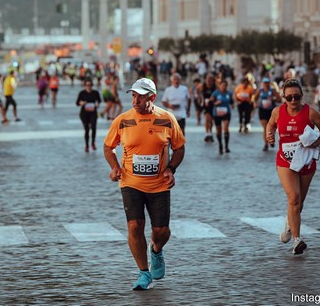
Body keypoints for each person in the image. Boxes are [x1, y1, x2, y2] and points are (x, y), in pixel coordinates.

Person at [104, 78, 185, 291]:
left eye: (140, 96)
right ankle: (143, 272)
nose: (135, 100)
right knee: (134, 225)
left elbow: (179, 148)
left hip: (159, 184)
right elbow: (108, 147)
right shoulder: (122, 120)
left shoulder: (167, 119)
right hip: (130, 182)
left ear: (152, 97)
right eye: (133, 95)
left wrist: (170, 169)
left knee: (161, 231)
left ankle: (156, 250)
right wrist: (114, 167)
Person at [266, 79, 320, 255]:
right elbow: (270, 125)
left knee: (299, 202)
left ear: (302, 96)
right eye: (289, 97)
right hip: (285, 161)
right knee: (293, 197)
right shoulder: (277, 112)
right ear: (283, 97)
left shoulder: (311, 113)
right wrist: (269, 135)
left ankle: (289, 222)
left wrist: (315, 144)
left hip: (306, 161)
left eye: (297, 96)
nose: (293, 100)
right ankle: (297, 240)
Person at [254, 77, 281, 151]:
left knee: (271, 127)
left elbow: (279, 99)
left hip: (271, 111)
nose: (266, 84)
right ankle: (266, 144)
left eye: (267, 82)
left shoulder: (272, 90)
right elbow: (254, 98)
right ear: (263, 83)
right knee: (265, 128)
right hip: (262, 110)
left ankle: (271, 140)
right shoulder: (260, 90)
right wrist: (255, 103)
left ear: (269, 83)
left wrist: (273, 99)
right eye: (264, 82)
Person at [76, 79, 102, 152]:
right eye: (87, 85)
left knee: (93, 128)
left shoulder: (95, 92)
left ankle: (93, 143)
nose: (89, 87)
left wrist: (97, 104)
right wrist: (82, 103)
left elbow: (99, 100)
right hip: (84, 113)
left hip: (93, 112)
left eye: (90, 85)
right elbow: (77, 102)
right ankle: (87, 145)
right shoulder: (82, 93)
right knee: (86, 129)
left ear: (92, 85)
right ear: (85, 85)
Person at [210, 79, 234, 154]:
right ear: (219, 86)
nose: (224, 87)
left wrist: (232, 104)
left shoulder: (229, 93)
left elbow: (232, 101)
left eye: (225, 86)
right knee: (219, 130)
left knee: (226, 128)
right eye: (222, 85)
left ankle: (226, 146)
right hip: (217, 113)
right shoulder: (216, 93)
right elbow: (210, 102)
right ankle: (220, 145)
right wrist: (215, 103)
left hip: (226, 112)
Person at [198, 73, 216, 142]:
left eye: (211, 79)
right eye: (208, 79)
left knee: (211, 120)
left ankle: (210, 132)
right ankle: (206, 133)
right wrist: (200, 99)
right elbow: (197, 91)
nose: (209, 81)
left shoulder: (214, 86)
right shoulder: (203, 86)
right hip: (205, 105)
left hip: (212, 104)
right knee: (207, 118)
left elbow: (217, 93)